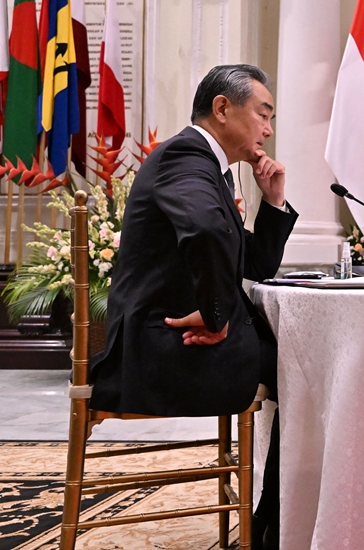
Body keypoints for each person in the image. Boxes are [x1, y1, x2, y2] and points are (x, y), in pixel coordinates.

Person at [90, 64, 296, 550]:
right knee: (308, 370)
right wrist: (218, 312)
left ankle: (272, 519)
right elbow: (206, 232)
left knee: (303, 361)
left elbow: (256, 262)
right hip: (160, 350)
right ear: (223, 109)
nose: (268, 129)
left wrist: (274, 201)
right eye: (263, 115)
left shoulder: (205, 168)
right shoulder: (186, 156)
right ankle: (273, 525)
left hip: (168, 340)